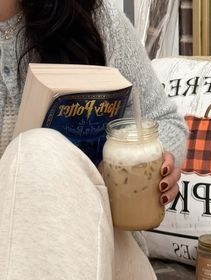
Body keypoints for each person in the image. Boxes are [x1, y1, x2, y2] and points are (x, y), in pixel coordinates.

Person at [0, 0, 188, 279]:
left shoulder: (95, 18)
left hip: (107, 251)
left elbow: (165, 122)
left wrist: (151, 163)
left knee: (37, 151)